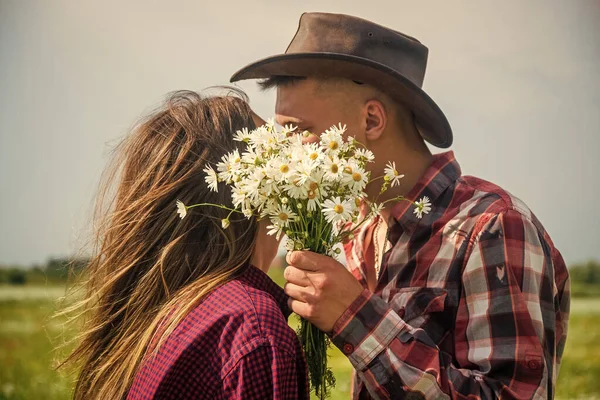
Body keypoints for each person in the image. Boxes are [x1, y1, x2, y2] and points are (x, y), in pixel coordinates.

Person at [231, 12, 570, 399]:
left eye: (301, 130)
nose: (288, 153)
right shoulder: (359, 228)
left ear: (372, 120)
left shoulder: (493, 227)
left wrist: (354, 317)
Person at [61, 90, 308, 399]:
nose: (295, 160)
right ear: (246, 188)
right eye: (270, 148)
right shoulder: (251, 327)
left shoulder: (165, 311)